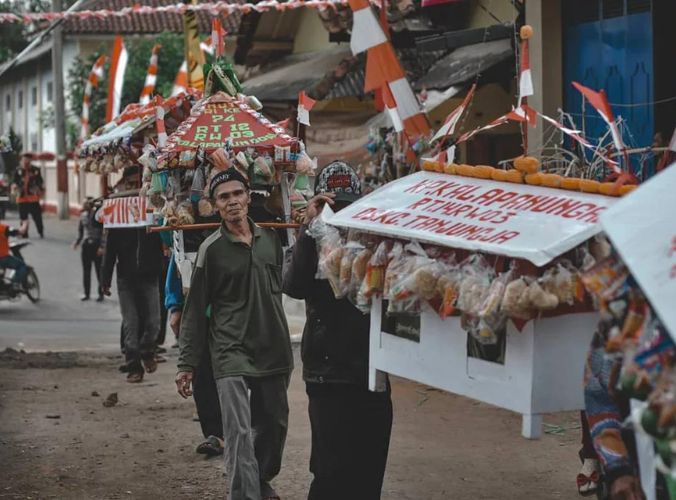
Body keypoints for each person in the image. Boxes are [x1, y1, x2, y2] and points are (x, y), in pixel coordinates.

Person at [176, 167, 293, 500]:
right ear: (215, 205)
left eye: (237, 194)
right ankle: (244, 494)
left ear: (247, 197)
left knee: (274, 425)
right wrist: (187, 363)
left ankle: (259, 479)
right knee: (239, 431)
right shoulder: (210, 250)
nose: (232, 202)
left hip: (273, 347)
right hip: (229, 351)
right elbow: (195, 310)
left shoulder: (272, 239)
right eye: (223, 197)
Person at [282, 161, 393, 500]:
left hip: (372, 375)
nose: (340, 212)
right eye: (332, 205)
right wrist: (308, 228)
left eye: (347, 204)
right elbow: (293, 285)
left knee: (369, 473)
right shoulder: (311, 242)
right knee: (329, 474)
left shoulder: (376, 243)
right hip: (327, 377)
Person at [165, 253, 224, 457]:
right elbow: (178, 247)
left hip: (242, 310)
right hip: (202, 310)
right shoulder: (195, 234)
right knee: (202, 370)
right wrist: (175, 305)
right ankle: (216, 435)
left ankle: (248, 432)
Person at [101, 226, 163, 383]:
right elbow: (110, 252)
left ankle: (147, 351)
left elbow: (165, 241)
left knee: (153, 323)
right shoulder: (118, 222)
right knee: (131, 323)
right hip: (125, 279)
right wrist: (105, 280)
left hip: (150, 277)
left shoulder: (152, 218)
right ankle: (134, 367)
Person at [72, 197, 104, 301]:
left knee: (99, 271)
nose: (84, 205)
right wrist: (77, 242)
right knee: (86, 271)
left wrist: (102, 246)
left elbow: (104, 233)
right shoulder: (82, 216)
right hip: (86, 245)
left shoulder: (98, 216)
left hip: (96, 244)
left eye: (86, 203)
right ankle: (87, 293)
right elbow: (81, 232)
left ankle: (101, 293)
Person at [11, 156, 45, 238]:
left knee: (37, 216)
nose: (25, 162)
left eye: (27, 161)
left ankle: (40, 231)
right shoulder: (18, 170)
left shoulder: (35, 169)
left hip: (33, 197)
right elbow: (14, 181)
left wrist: (38, 187)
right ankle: (24, 233)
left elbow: (40, 181)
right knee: (23, 217)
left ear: (30, 161)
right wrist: (16, 185)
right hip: (21, 197)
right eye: (24, 160)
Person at [0, 219, 28, 289]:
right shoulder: (2, 228)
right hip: (2, 257)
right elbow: (20, 232)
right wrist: (25, 224)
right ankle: (15, 284)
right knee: (22, 266)